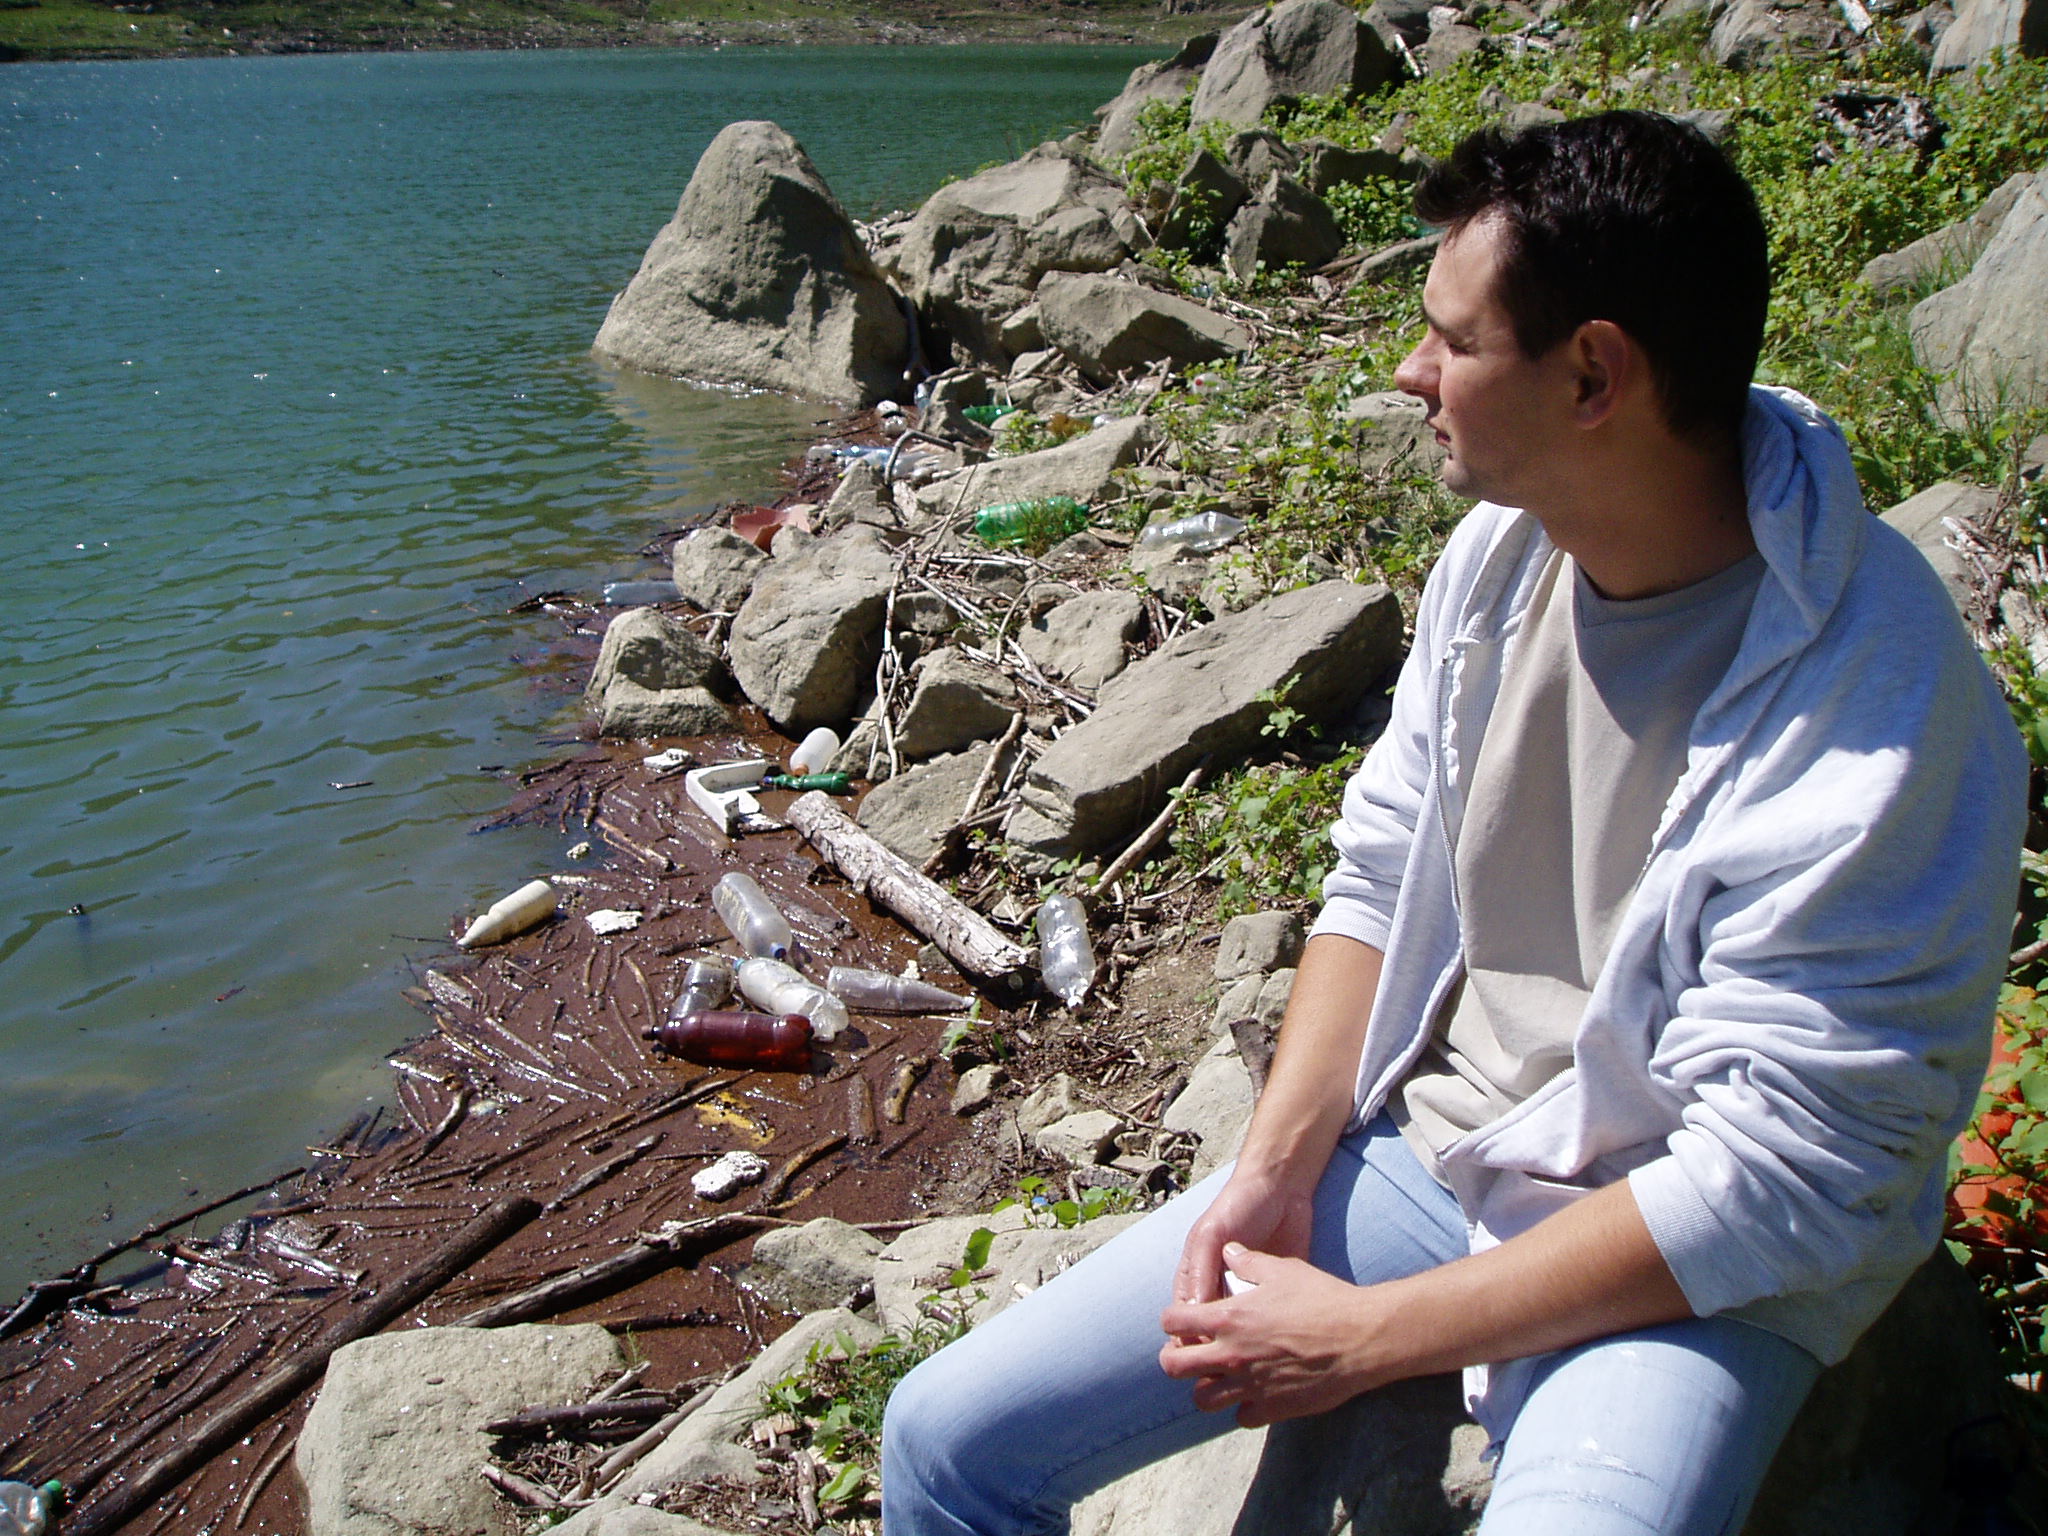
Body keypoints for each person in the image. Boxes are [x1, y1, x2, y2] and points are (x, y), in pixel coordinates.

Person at [880, 110, 2028, 1535]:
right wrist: (1273, 1169)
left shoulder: (1881, 709)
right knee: (944, 1442)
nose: (1407, 371)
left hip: (1678, 1257)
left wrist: (1367, 1339)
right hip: (1444, 1148)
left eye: (1452, 339)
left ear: (1594, 373)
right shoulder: (1503, 557)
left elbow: (1784, 1179)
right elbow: (1376, 876)